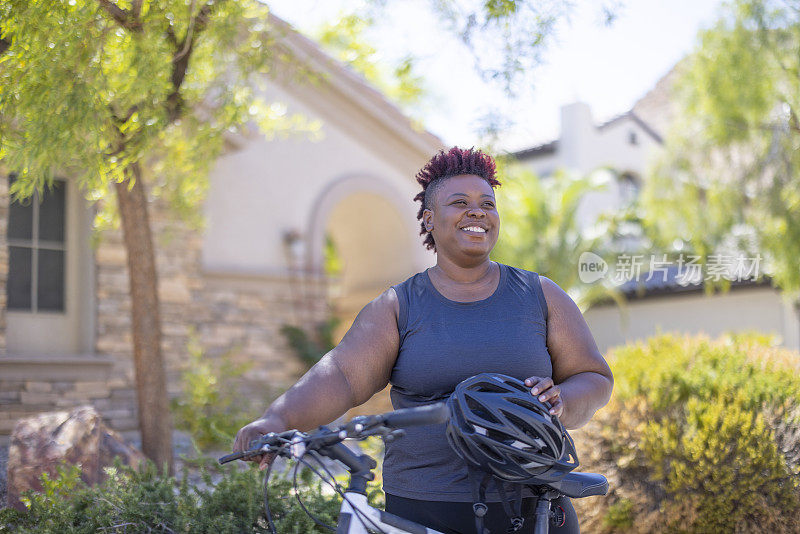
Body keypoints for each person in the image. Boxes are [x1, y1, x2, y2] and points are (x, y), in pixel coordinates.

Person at [233, 147, 614, 533]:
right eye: (460, 202)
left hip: (534, 509)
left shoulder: (540, 294)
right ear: (429, 220)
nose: (478, 211)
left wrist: (562, 401)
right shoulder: (398, 306)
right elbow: (343, 376)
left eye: (488, 203)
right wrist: (276, 419)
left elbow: (594, 377)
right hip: (422, 511)